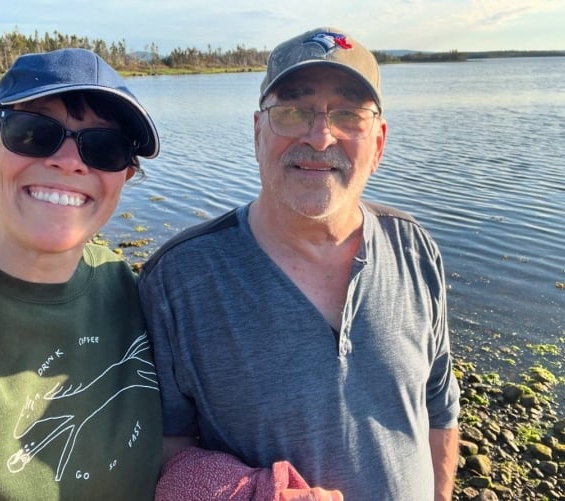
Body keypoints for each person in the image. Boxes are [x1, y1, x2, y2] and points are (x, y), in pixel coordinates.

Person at [140, 27, 461, 500]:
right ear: (257, 131)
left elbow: (439, 408)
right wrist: (253, 493)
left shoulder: (415, 249)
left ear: (379, 143)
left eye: (349, 115)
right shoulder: (179, 279)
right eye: (292, 111)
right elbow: (165, 450)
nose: (320, 136)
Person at [0, 48, 163, 499]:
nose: (69, 161)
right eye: (34, 132)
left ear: (125, 174)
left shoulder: (125, 283)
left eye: (105, 146)